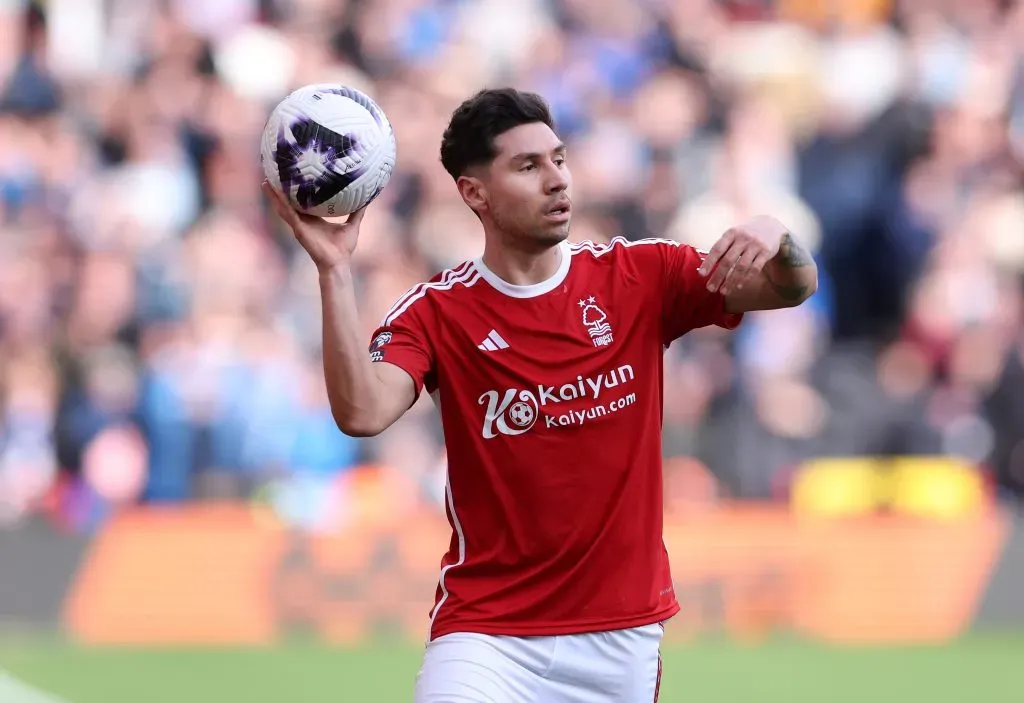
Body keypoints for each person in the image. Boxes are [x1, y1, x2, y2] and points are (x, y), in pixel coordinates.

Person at [263, 87, 817, 703]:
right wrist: (335, 272)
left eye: (559, 159)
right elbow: (362, 412)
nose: (556, 180)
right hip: (486, 636)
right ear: (475, 193)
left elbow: (790, 287)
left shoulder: (641, 277)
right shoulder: (437, 313)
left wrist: (776, 233)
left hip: (620, 640)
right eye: (527, 167)